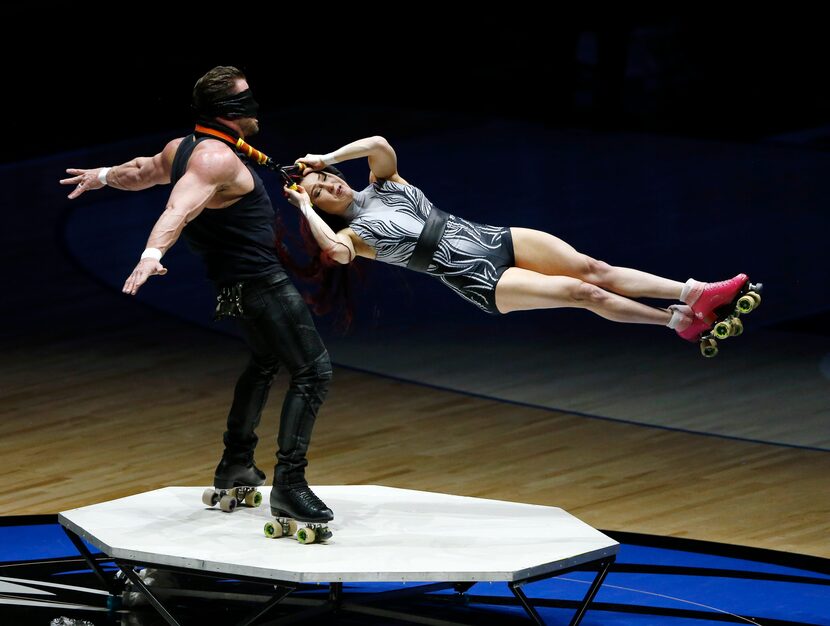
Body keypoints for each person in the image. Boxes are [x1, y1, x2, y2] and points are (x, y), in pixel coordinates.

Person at [59, 66, 333, 523]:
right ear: (229, 112)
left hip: (234, 286)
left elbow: (143, 171)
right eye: (247, 100)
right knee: (313, 371)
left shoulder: (183, 149)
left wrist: (104, 174)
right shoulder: (213, 160)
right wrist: (151, 253)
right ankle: (290, 484)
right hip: (259, 283)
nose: (256, 106)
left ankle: (235, 465)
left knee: (265, 361)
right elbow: (177, 208)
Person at [283, 136, 755, 349]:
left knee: (594, 268)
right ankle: (676, 323)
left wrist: (324, 155)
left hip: (493, 237)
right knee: (583, 294)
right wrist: (303, 205)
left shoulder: (383, 183)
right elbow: (335, 253)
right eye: (321, 192)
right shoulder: (351, 235)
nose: (330, 187)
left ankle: (694, 293)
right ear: (321, 207)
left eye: (327, 179)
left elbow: (379, 143)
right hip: (477, 278)